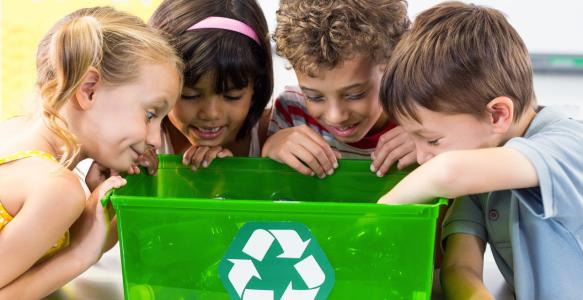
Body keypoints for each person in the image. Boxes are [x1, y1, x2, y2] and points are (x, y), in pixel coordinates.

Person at [377, 2, 583, 299]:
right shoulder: (481, 177)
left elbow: (448, 172)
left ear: (497, 115)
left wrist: (379, 214)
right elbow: (460, 267)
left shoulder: (569, 144)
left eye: (432, 140)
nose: (422, 158)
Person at [0, 7, 183, 298]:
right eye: (151, 114)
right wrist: (79, 255)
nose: (155, 140)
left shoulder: (14, 136)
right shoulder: (58, 188)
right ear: (89, 90)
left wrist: (95, 231)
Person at [263, 0, 415, 179]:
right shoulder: (292, 111)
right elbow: (274, 189)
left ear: (393, 63)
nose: (335, 116)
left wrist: (432, 142)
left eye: (355, 95)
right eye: (314, 97)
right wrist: (270, 149)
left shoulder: (422, 115)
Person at [148, 0, 273, 171]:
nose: (211, 113)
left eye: (232, 96)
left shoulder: (271, 134)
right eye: (189, 95)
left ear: (257, 85)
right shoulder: (145, 143)